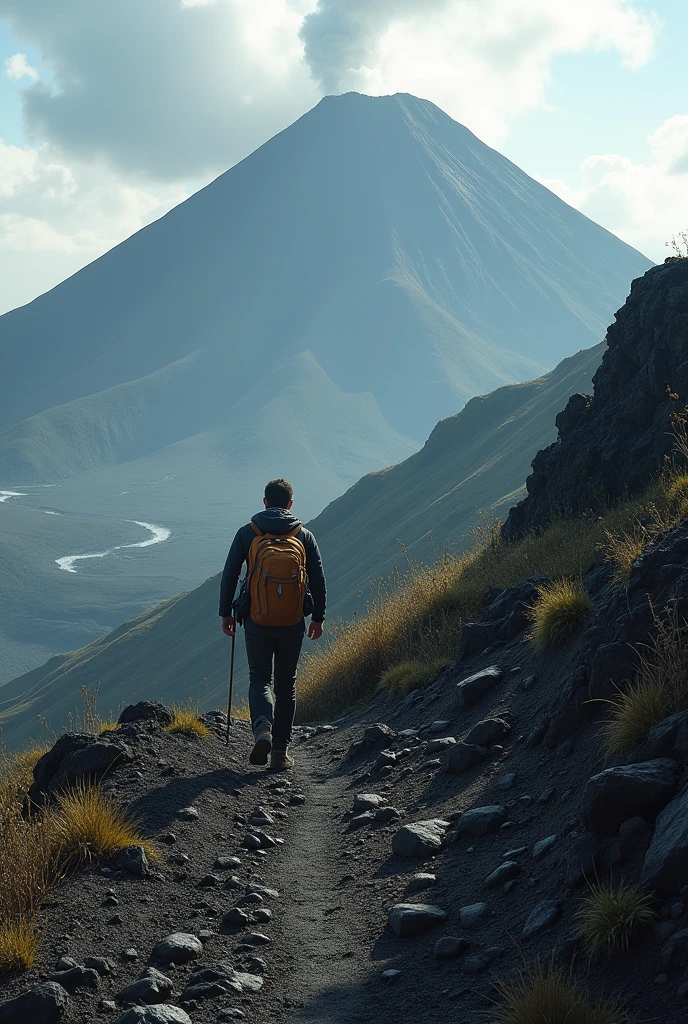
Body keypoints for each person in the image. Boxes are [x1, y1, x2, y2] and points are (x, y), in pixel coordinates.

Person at [219, 478, 326, 770]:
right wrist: (318, 617)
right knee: (286, 686)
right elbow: (317, 579)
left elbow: (230, 573)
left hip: (257, 620)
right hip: (293, 622)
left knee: (259, 678)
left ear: (265, 502)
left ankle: (262, 727)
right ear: (290, 504)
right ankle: (279, 754)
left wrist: (225, 613)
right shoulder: (304, 536)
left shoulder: (248, 533)